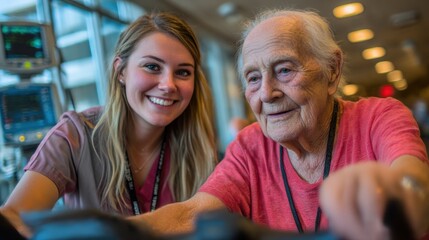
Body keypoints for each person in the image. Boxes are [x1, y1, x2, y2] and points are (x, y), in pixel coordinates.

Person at [128, 9, 429, 240]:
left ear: (332, 71)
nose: (267, 94)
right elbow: (190, 215)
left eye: (284, 70)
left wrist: (393, 196)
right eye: (254, 78)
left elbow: (414, 183)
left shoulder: (378, 117)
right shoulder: (249, 146)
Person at [0, 12, 218, 237]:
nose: (168, 85)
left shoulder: (197, 146)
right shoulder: (76, 135)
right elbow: (16, 217)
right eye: (152, 67)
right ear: (121, 71)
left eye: (182, 72)